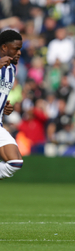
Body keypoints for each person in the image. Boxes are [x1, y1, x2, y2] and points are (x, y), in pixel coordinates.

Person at [0, 29, 24, 180]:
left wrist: (3, 107)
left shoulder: (11, 69)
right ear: (4, 48)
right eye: (16, 49)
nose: (19, 53)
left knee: (15, 162)